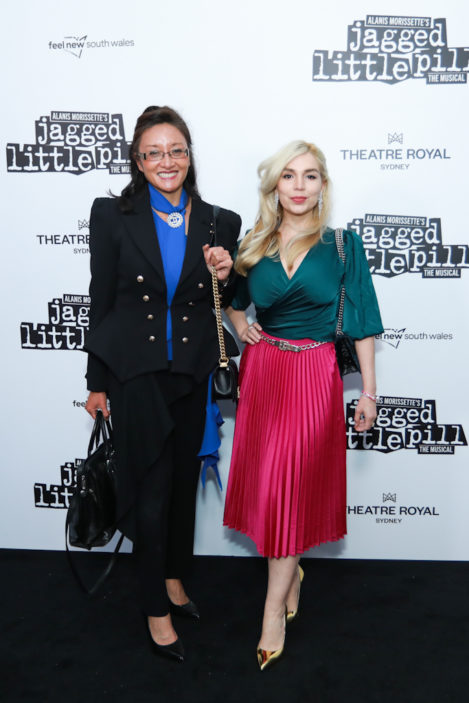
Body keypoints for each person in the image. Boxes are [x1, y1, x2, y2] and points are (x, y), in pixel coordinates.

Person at [84, 105, 241, 662]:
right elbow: (101, 297)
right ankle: (155, 606)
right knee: (150, 493)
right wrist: (96, 381)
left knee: (180, 487)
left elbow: (233, 300)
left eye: (176, 150)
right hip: (135, 374)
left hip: (192, 372)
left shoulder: (221, 221)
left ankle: (175, 579)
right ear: (137, 159)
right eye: (154, 152)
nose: (166, 161)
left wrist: (227, 273)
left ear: (189, 155)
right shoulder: (112, 214)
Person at [223, 140, 383, 670]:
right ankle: (290, 574)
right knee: (271, 485)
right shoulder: (254, 243)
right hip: (265, 373)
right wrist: (244, 328)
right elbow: (231, 301)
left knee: (293, 485)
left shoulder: (343, 246)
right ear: (275, 186)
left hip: (315, 374)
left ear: (322, 185)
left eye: (310, 176)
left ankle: (272, 611)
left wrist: (369, 392)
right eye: (288, 175)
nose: (299, 185)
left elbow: (362, 322)